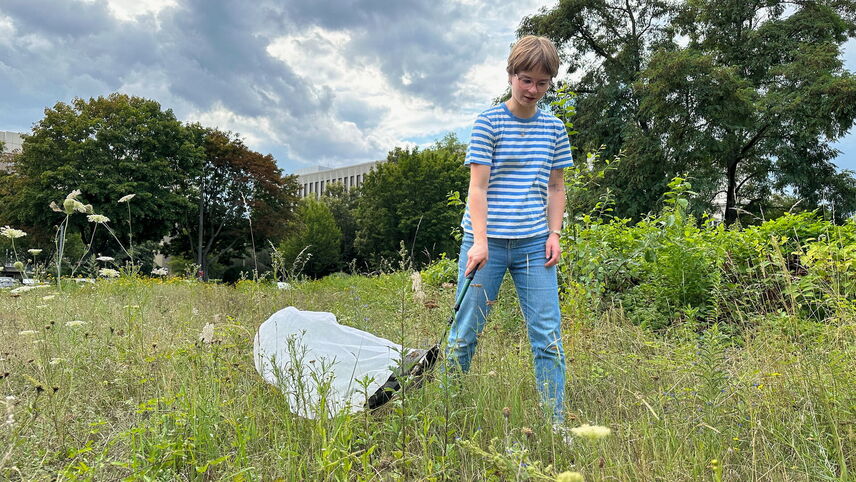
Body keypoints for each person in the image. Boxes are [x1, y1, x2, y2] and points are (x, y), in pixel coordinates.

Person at [446, 35, 572, 425]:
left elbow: (556, 187)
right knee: (465, 334)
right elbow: (478, 188)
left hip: (535, 245)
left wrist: (554, 234)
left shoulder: (554, 128)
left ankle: (555, 424)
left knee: (548, 337)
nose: (533, 89)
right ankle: (445, 418)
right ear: (511, 75)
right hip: (486, 244)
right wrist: (480, 242)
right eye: (526, 80)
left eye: (542, 82)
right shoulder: (489, 122)